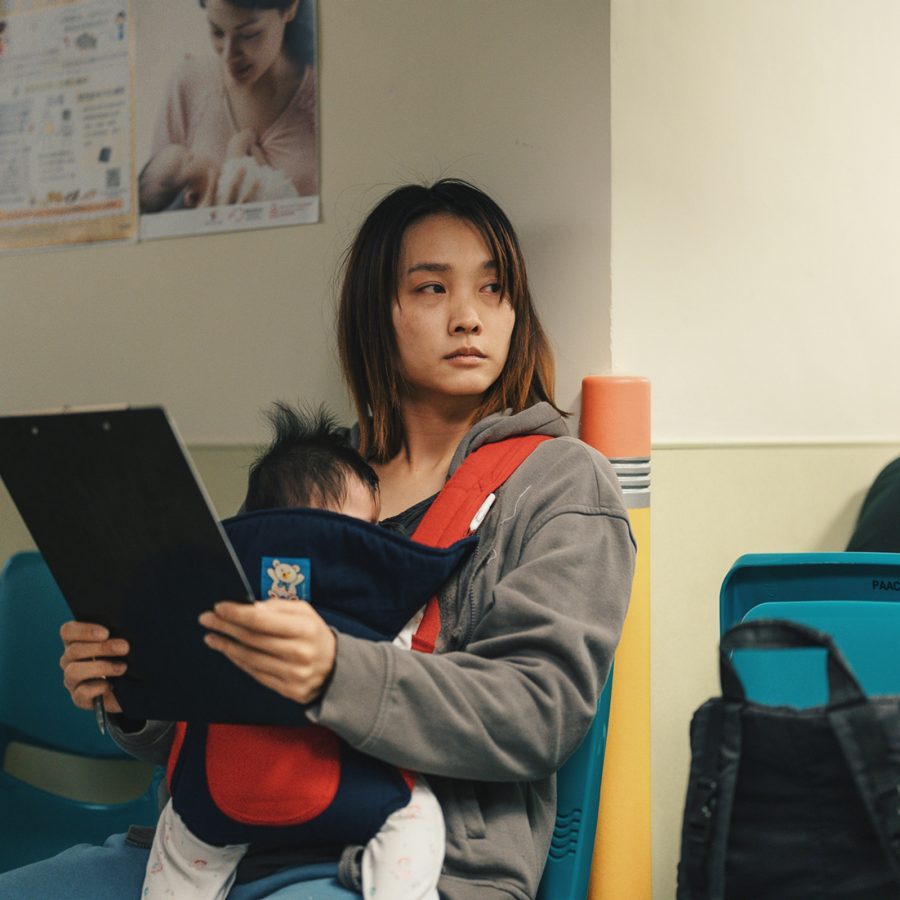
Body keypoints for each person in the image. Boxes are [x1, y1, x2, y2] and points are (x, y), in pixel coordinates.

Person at [6, 178, 635, 899]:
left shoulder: (561, 482)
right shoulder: (314, 481)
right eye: (432, 289)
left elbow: (539, 710)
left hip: (404, 861)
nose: (469, 317)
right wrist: (134, 691)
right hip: (220, 842)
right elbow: (230, 693)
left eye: (493, 290)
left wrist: (338, 672)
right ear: (377, 313)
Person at [143, 402, 445, 900]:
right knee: (416, 815)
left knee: (180, 848)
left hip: (217, 789)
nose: (372, 542)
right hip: (347, 787)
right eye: (361, 528)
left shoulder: (219, 591)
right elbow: (405, 658)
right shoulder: (370, 599)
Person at [139, 0, 317, 213]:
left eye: (249, 34)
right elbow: (155, 212)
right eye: (217, 32)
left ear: (290, 8)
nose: (229, 55)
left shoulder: (323, 97)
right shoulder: (188, 84)